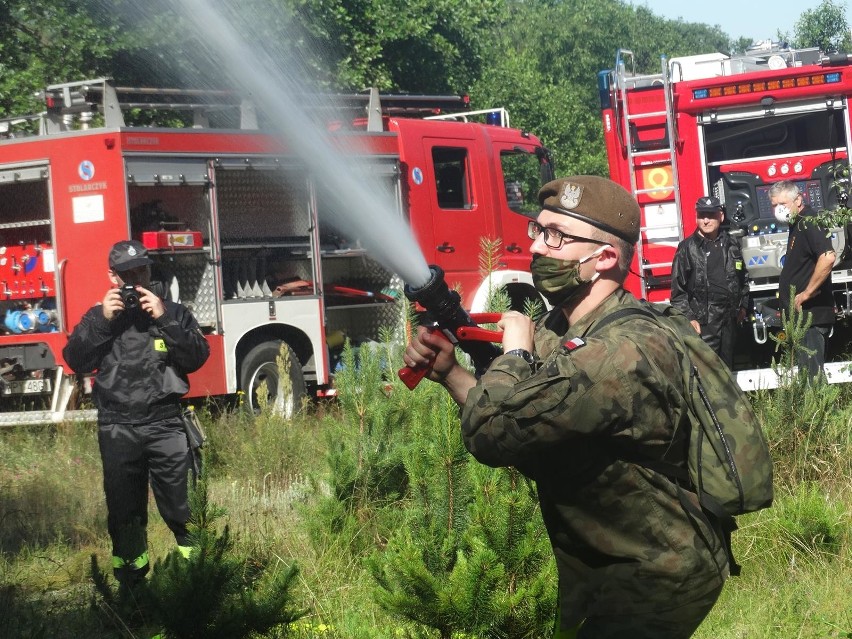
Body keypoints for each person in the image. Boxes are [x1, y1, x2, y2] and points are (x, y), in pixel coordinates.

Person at [404, 176, 728, 638]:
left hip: (658, 573)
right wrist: (452, 374)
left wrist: (515, 355)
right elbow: (527, 427)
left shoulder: (617, 354)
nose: (538, 246)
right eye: (538, 229)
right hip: (602, 561)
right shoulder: (569, 328)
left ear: (605, 258)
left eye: (556, 236)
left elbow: (492, 434)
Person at [63, 240, 210, 587]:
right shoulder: (99, 317)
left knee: (184, 509)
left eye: (140, 271)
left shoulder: (173, 312)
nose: (135, 280)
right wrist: (102, 320)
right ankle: (133, 593)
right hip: (118, 429)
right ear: (112, 277)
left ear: (148, 270)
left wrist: (164, 317)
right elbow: (76, 360)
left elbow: (196, 358)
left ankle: (200, 586)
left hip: (166, 425)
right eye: (127, 274)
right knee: (125, 515)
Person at [670, 196, 750, 368]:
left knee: (726, 370)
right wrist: (689, 318)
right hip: (703, 321)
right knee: (706, 372)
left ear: (720, 217)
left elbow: (743, 277)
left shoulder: (731, 244)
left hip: (729, 318)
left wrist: (743, 305)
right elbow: (677, 293)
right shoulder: (687, 248)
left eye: (710, 215)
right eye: (701, 215)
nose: (706, 220)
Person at [769, 181, 836, 379]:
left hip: (810, 317)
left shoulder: (809, 221)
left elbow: (828, 256)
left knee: (812, 377)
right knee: (806, 373)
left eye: (782, 204)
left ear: (798, 200)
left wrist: (806, 292)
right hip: (801, 318)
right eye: (774, 205)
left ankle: (817, 410)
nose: (778, 210)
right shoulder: (796, 224)